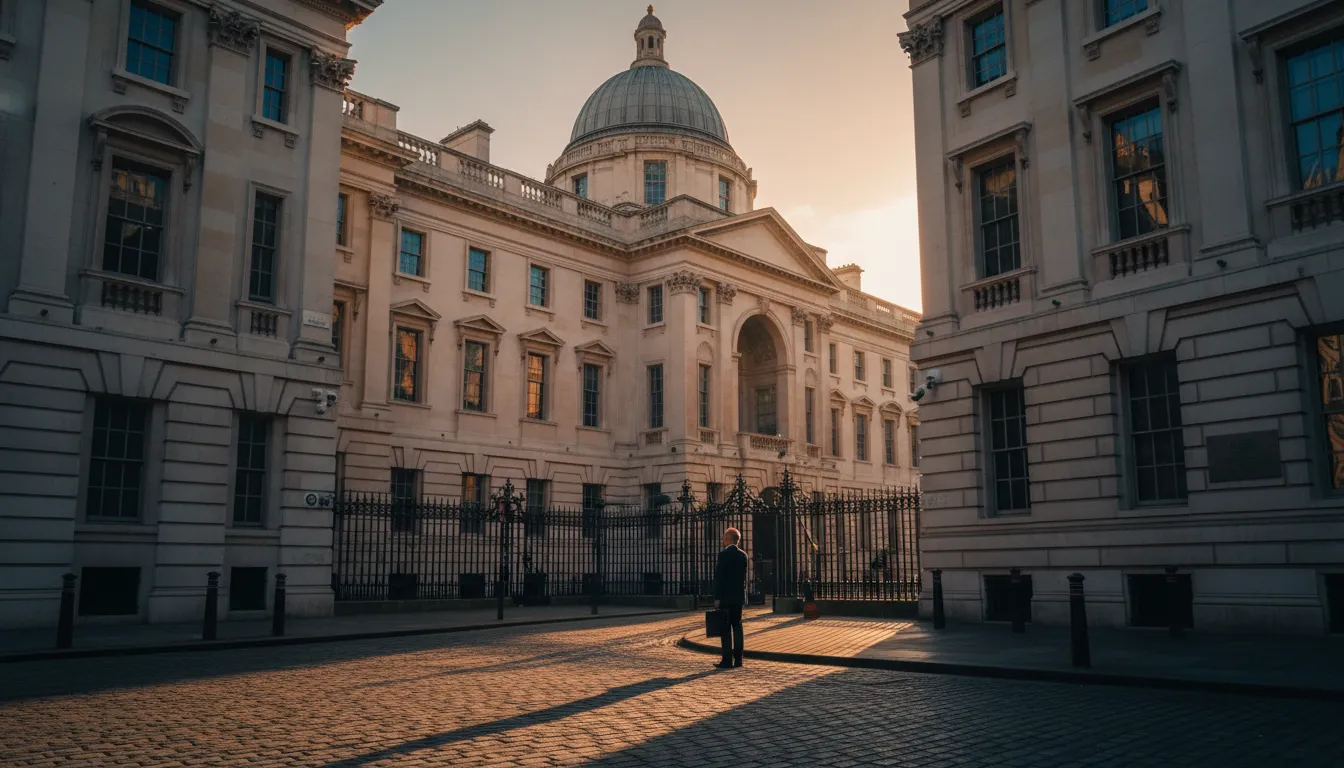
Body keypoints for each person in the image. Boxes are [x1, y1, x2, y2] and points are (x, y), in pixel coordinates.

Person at [713, 527, 747, 669]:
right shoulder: (743, 555)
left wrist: (717, 598)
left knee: (726, 629)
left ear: (729, 539)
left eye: (724, 538)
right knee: (737, 627)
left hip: (726, 597)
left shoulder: (723, 555)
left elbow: (719, 578)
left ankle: (726, 660)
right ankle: (738, 660)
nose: (722, 540)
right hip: (738, 597)